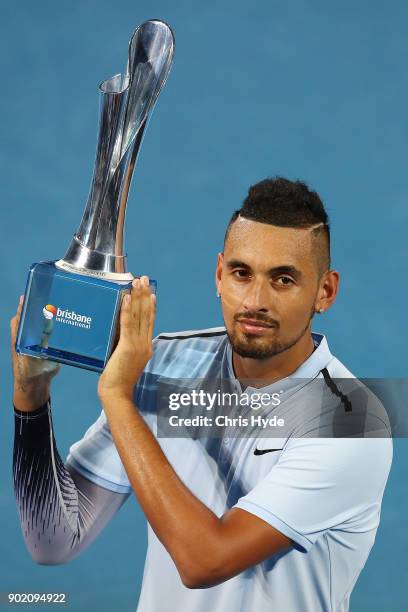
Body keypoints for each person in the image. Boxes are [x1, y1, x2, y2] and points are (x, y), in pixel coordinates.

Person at [11, 177, 392, 612]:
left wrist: (118, 396)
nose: (255, 300)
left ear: (325, 292)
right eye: (241, 273)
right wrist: (31, 396)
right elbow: (54, 541)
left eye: (283, 280)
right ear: (218, 274)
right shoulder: (166, 366)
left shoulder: (351, 421)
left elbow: (204, 561)